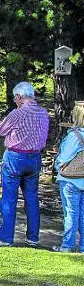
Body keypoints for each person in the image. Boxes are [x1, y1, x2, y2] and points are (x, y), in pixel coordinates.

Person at [0, 81, 50, 247]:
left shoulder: (18, 113)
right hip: (35, 158)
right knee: (31, 198)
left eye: (15, 98)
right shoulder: (43, 113)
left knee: (9, 198)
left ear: (19, 97)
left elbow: (0, 130)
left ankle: (5, 238)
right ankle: (32, 237)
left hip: (16, 157)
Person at [53, 103, 84, 252]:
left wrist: (57, 162)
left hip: (71, 179)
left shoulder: (75, 136)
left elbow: (64, 158)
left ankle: (68, 245)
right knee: (83, 214)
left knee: (70, 213)